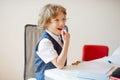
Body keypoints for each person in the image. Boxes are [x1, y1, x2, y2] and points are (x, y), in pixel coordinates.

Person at [34, 3, 70, 80]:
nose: (62, 23)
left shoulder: (59, 37)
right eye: (56, 20)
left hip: (57, 76)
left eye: (63, 19)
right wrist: (66, 42)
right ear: (46, 23)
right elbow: (60, 64)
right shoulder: (45, 42)